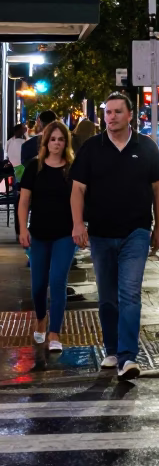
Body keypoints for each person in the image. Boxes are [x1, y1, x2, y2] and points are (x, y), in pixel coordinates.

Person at [70, 92, 159, 381]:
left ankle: (128, 357)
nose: (110, 117)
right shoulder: (92, 148)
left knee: (129, 294)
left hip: (136, 232)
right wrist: (78, 224)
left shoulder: (146, 146)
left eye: (116, 112)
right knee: (107, 299)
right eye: (108, 112)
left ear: (130, 116)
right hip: (100, 233)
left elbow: (158, 191)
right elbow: (78, 189)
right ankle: (111, 350)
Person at [18, 122, 76, 352]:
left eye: (61, 139)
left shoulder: (72, 168)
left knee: (58, 281)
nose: (57, 143)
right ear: (46, 142)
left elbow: (80, 199)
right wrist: (23, 230)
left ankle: (55, 333)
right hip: (39, 234)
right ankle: (40, 319)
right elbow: (24, 202)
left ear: (66, 143)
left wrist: (80, 226)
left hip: (65, 234)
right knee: (39, 285)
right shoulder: (35, 167)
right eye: (53, 139)